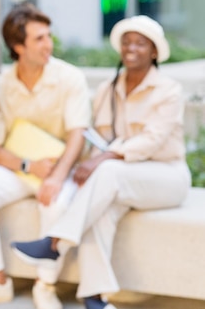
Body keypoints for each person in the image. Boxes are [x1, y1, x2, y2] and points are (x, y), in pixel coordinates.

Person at [11, 15, 191, 309]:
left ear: (155, 52)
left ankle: (54, 242)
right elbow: (101, 139)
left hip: (166, 176)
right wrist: (93, 163)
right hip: (122, 177)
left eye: (140, 43)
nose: (131, 48)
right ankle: (95, 298)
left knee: (106, 170)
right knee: (99, 212)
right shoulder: (109, 89)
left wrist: (102, 160)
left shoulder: (168, 90)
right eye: (126, 42)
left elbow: (152, 142)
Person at [0, 3, 90, 309]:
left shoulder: (70, 78)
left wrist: (53, 177)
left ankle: (46, 285)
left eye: (48, 36)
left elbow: (78, 136)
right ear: (18, 46)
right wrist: (28, 166)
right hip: (19, 167)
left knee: (53, 202)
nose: (48, 44)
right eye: (39, 39)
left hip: (61, 168)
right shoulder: (0, 86)